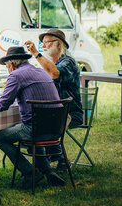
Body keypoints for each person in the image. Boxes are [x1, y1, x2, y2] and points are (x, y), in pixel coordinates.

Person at [0, 46, 67, 188]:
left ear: (11, 65)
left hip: (35, 129)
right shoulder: (41, 72)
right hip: (56, 130)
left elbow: (3, 105)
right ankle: (48, 172)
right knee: (35, 131)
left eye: (7, 66)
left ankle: (30, 172)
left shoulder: (16, 75)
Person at [25, 29, 83, 171]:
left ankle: (57, 159)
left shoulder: (68, 62)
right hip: (54, 111)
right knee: (29, 122)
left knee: (38, 125)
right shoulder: (49, 63)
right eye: (42, 43)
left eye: (46, 42)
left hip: (70, 112)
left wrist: (36, 54)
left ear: (59, 44)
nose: (43, 46)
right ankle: (46, 160)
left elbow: (55, 73)